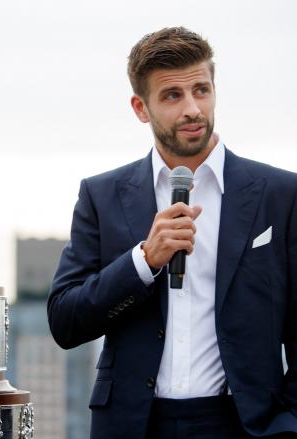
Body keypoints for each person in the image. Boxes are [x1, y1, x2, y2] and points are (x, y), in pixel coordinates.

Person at [47, 27, 297, 438]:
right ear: (140, 108)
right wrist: (143, 261)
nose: (193, 109)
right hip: (134, 425)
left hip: (246, 424)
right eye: (172, 96)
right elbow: (65, 321)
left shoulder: (279, 195)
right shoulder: (102, 195)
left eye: (201, 90)